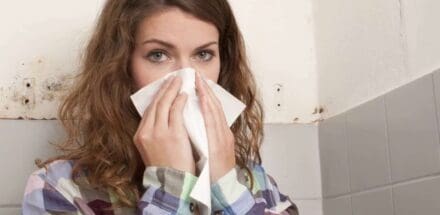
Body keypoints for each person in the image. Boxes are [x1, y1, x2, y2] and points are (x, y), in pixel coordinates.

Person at [21, 0, 299, 214]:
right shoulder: (61, 189)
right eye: (158, 55)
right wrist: (170, 186)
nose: (186, 79)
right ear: (122, 68)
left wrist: (227, 189)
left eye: (204, 54)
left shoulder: (256, 184)